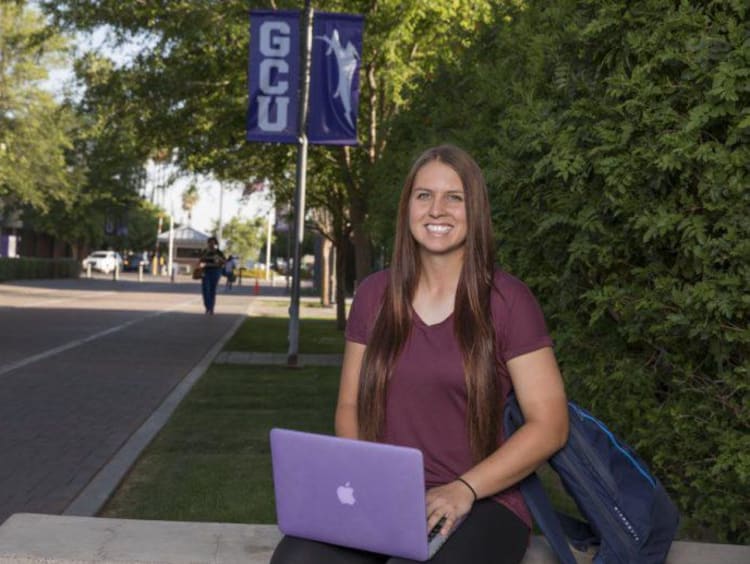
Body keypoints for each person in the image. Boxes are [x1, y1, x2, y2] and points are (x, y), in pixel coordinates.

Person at [270, 145, 569, 564]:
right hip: (385, 498)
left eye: (454, 197)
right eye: (424, 195)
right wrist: (365, 486)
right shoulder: (375, 296)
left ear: (476, 211)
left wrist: (462, 489)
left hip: (482, 501)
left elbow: (550, 425)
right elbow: (349, 404)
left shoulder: (508, 301)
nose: (437, 209)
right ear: (407, 207)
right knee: (296, 560)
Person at [198, 236, 226, 314]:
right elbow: (200, 261)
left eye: (213, 243)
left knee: (212, 290)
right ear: (208, 243)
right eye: (210, 243)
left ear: (216, 244)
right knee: (205, 289)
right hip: (206, 271)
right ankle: (208, 306)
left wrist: (219, 259)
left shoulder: (219, 252)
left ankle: (211, 308)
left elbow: (224, 262)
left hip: (216, 271)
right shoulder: (205, 252)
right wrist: (201, 265)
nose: (211, 245)